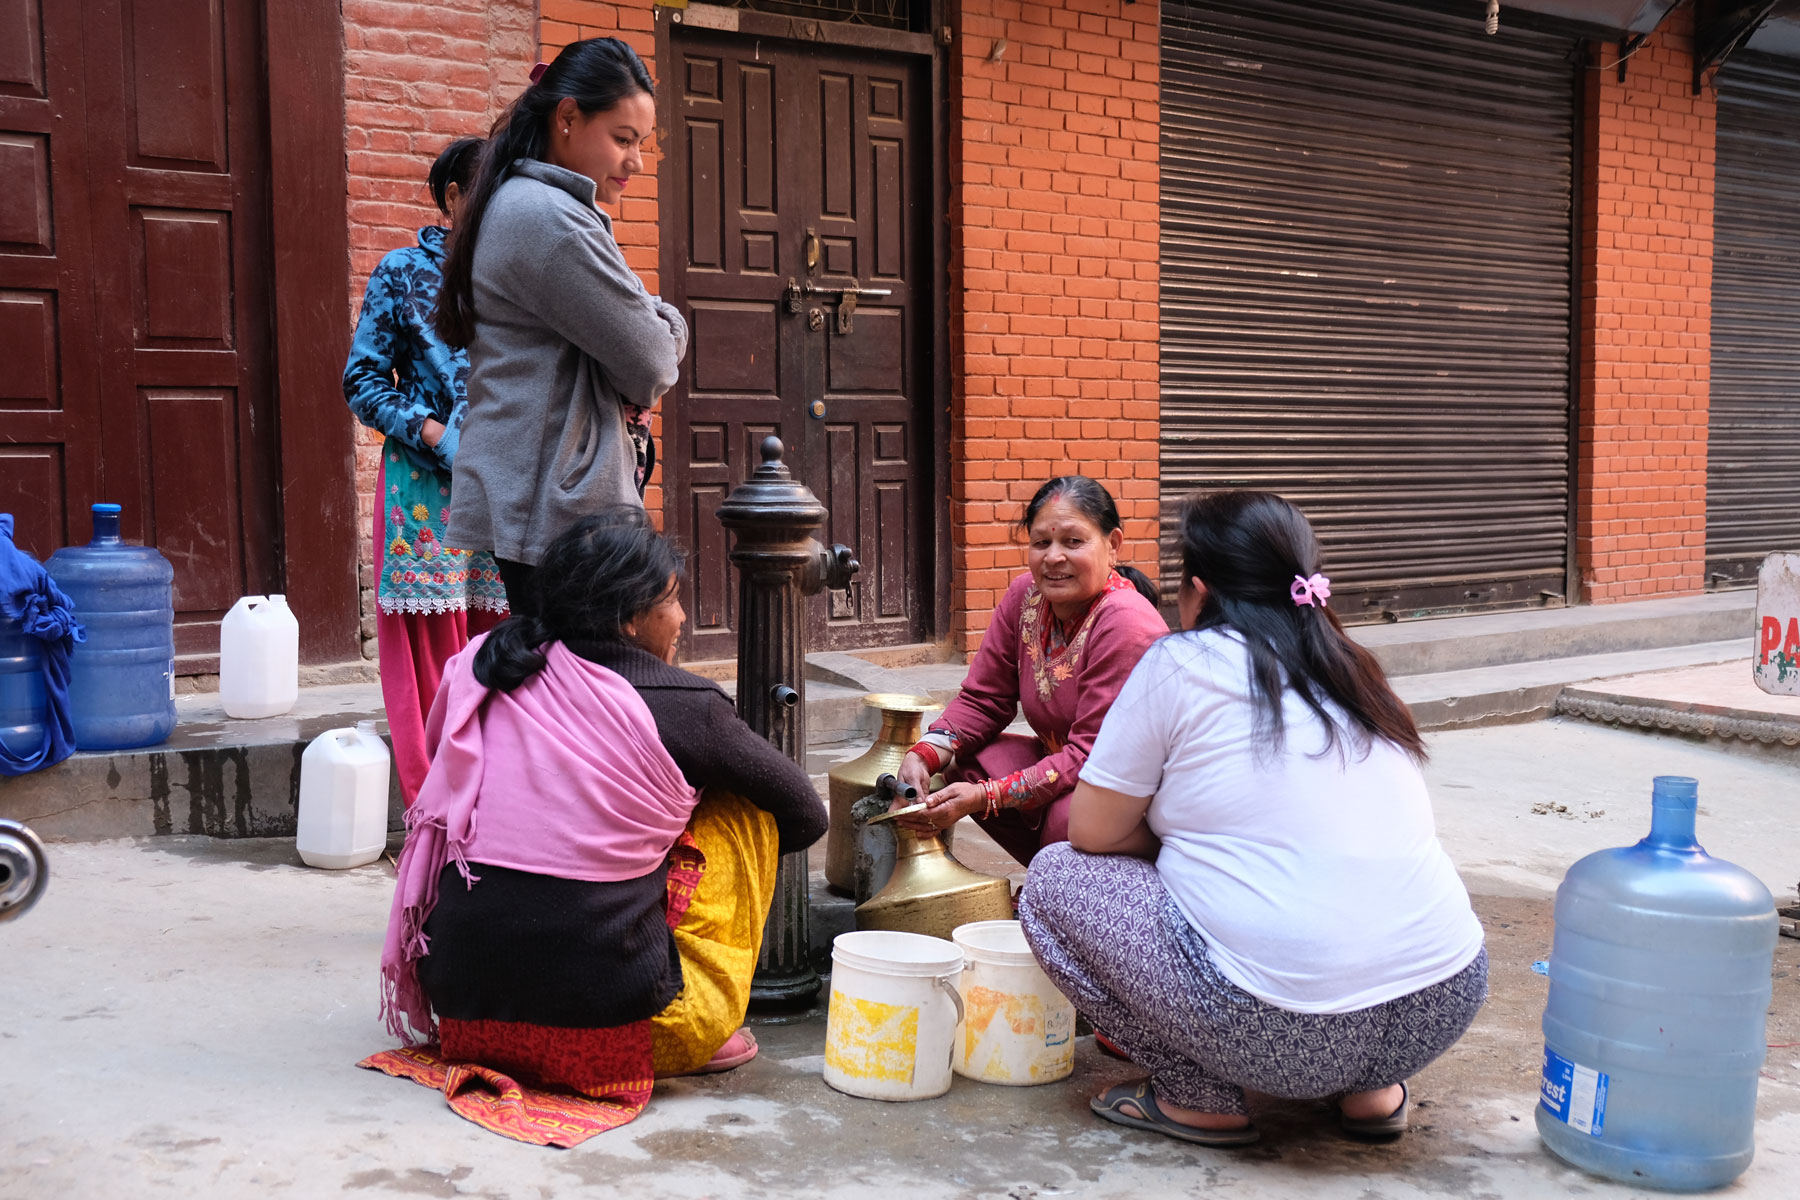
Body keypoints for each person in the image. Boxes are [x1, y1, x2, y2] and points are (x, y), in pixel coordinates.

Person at [1018, 490, 1488, 1148]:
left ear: (1199, 590)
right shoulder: (1356, 668)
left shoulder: (1180, 662)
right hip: (1441, 1000)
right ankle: (1371, 1093)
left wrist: (1176, 837)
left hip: (1281, 1031)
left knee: (1051, 881)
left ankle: (1199, 1098)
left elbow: (1090, 832)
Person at [370, 511, 827, 1143]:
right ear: (628, 619)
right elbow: (806, 816)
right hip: (621, 1033)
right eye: (673, 602)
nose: (684, 620)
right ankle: (704, 1015)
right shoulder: (685, 705)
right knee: (743, 810)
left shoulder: (488, 669)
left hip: (466, 1020)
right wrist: (673, 825)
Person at [434, 38, 688, 616]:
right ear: (568, 117)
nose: (636, 162)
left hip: (541, 495)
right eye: (623, 139)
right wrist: (670, 320)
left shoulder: (522, 202)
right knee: (577, 694)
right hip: (559, 506)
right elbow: (651, 361)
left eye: (641, 144)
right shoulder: (551, 220)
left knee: (553, 687)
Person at [343, 136, 508, 807]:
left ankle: (500, 803)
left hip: (504, 486)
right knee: (431, 656)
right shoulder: (402, 272)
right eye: (489, 191)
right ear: (452, 198)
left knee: (502, 641)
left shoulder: (517, 277)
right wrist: (437, 433)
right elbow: (362, 382)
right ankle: (435, 811)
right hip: (424, 491)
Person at [893, 476, 1168, 866]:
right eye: (1041, 543)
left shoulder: (1126, 621)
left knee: (1067, 820)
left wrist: (988, 796)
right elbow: (983, 699)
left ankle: (1059, 882)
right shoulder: (1025, 596)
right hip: (1073, 770)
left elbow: (1091, 756)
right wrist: (924, 754)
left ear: (1113, 546)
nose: (1053, 557)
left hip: (1130, 791)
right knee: (963, 763)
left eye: (1073, 542)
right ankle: (1050, 876)